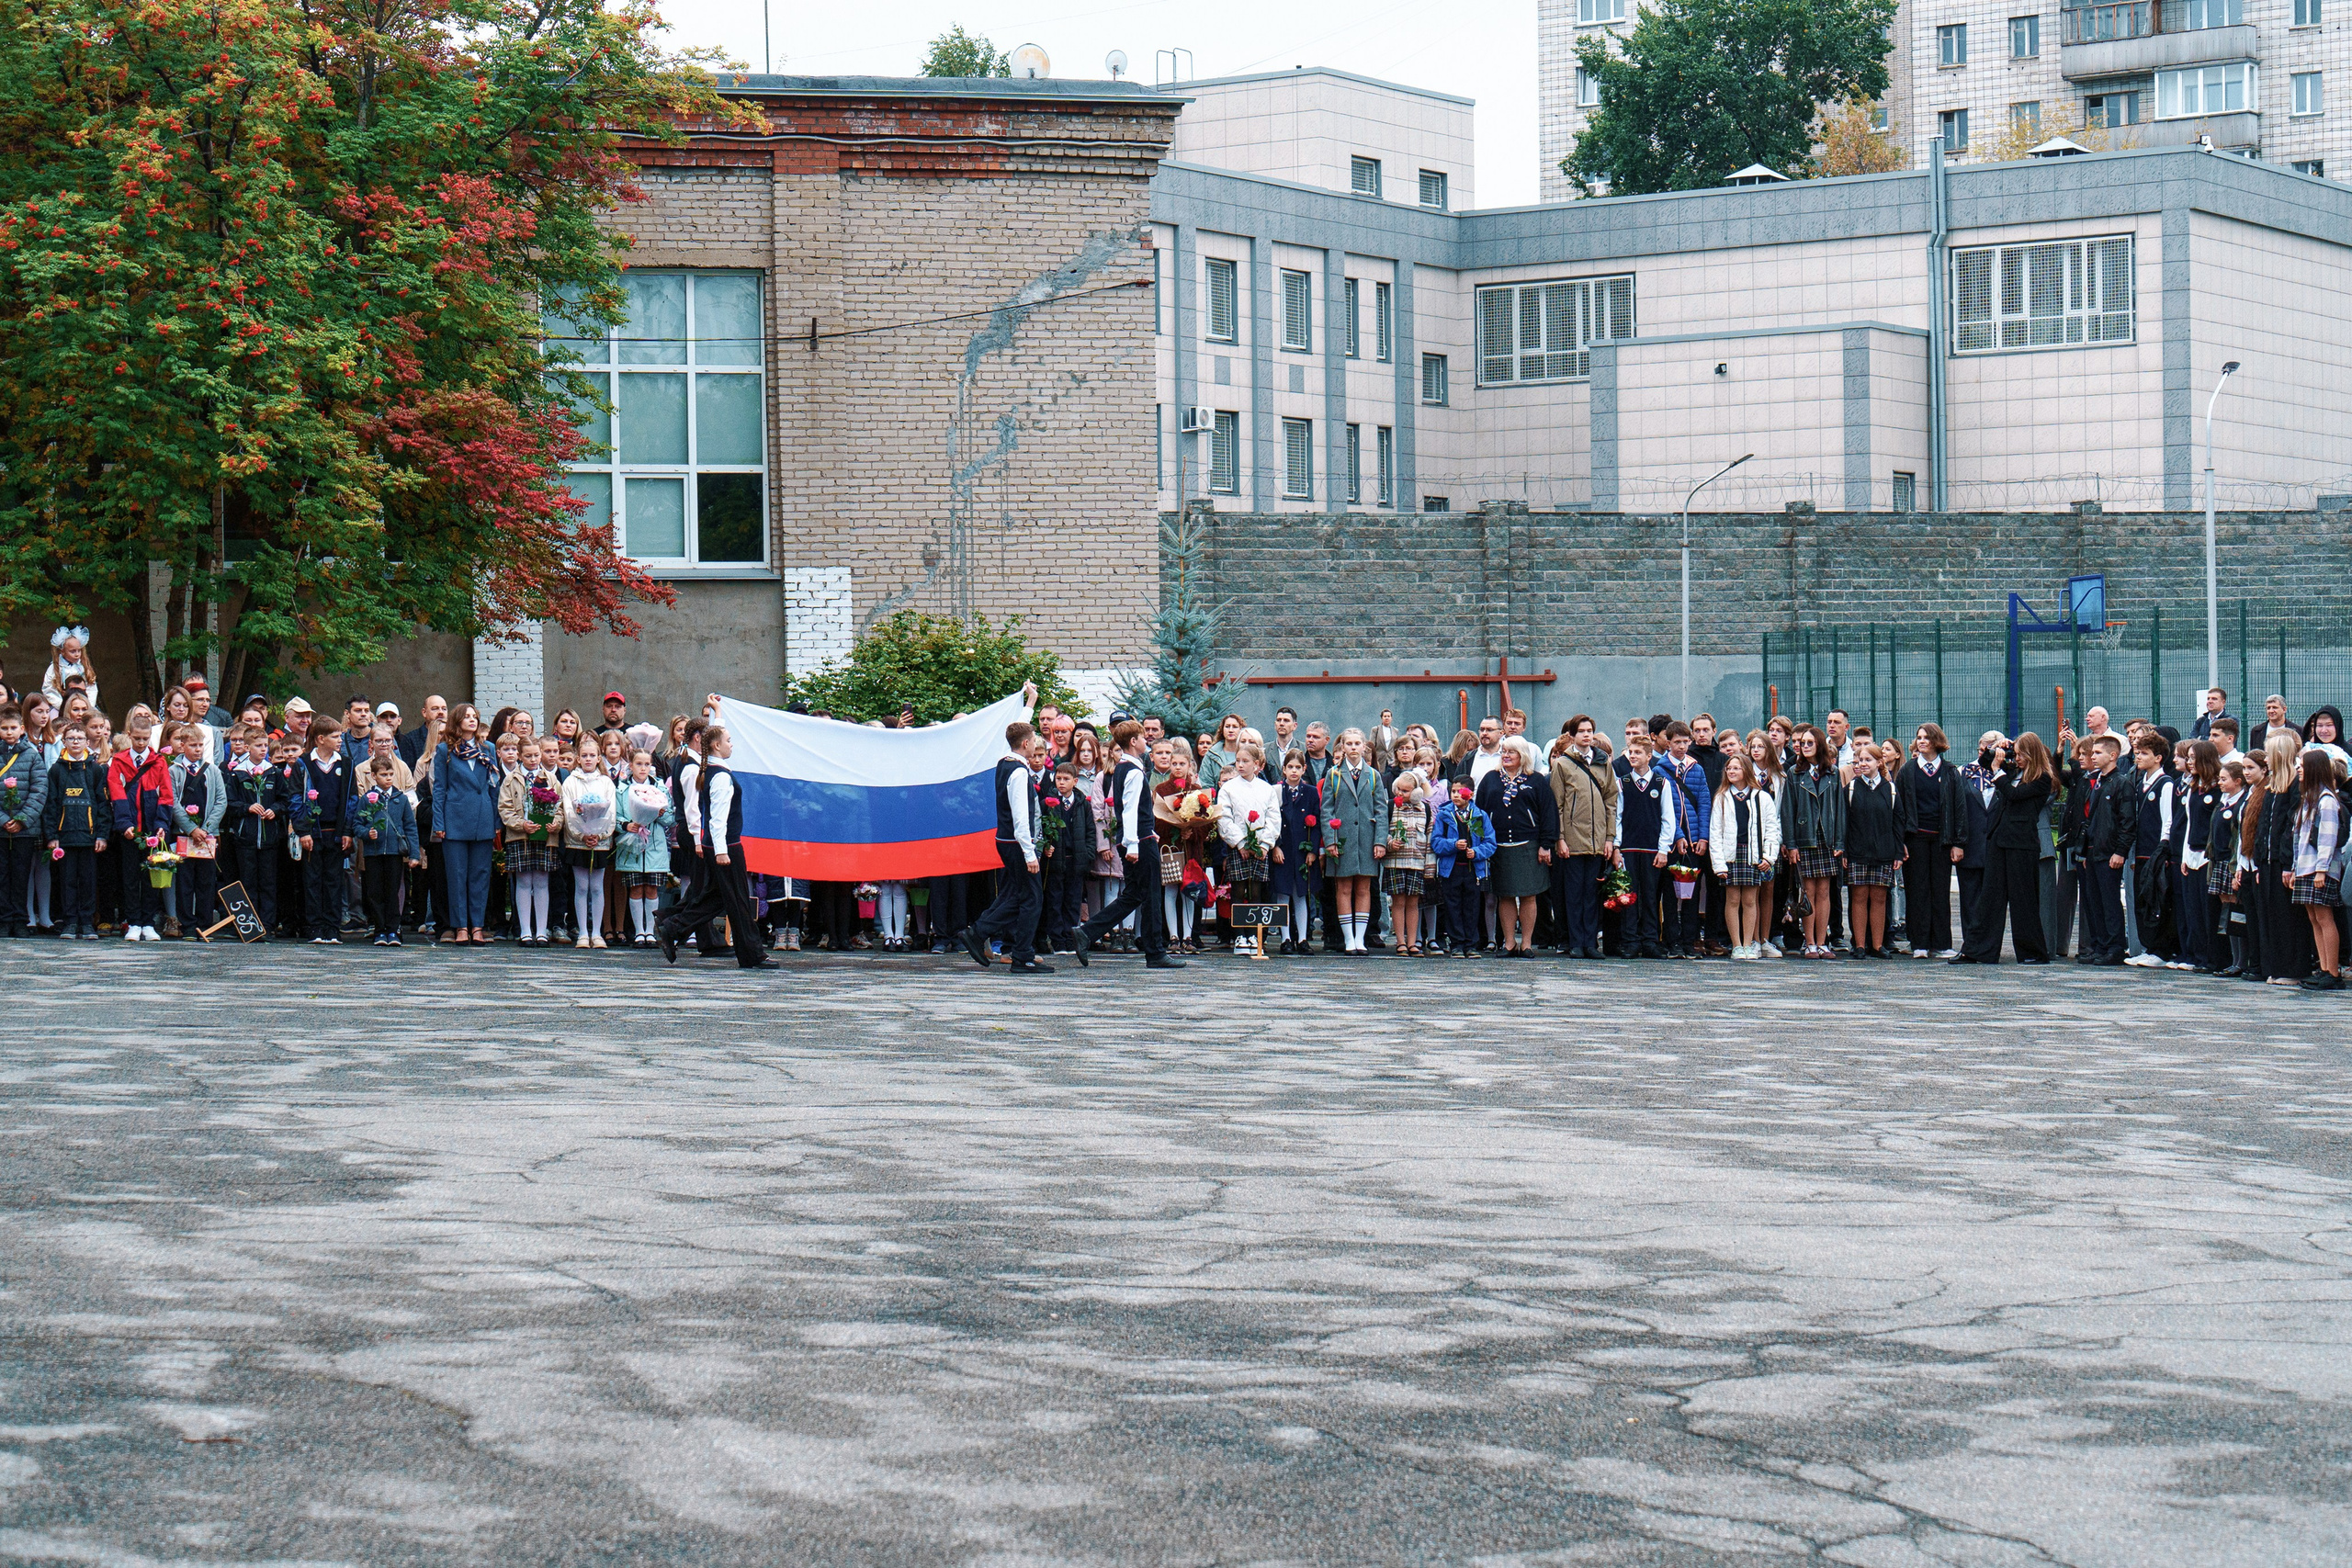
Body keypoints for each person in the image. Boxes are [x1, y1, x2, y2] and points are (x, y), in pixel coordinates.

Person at [656, 725, 773, 969]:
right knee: (738, 899)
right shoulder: (719, 775)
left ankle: (673, 927)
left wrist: (717, 710)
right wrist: (721, 851)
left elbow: (713, 734)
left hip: (717, 844)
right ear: (717, 746)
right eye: (729, 740)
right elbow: (717, 818)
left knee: (718, 897)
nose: (732, 744)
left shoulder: (711, 769)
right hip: (725, 846)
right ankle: (752, 954)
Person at [1076, 721, 1181, 968]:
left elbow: (1129, 809)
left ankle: (1086, 931)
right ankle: (1155, 953)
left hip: (1138, 838)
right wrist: (1134, 844)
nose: (1147, 740)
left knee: (1133, 894)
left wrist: (1147, 832)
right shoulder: (1133, 771)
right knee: (1151, 895)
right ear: (1133, 741)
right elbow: (1130, 809)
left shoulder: (1123, 768)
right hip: (1138, 843)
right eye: (1143, 737)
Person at [1952, 734, 2053, 964]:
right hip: (2000, 841)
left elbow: (2013, 795)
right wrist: (1998, 748)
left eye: (2020, 754)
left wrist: (1999, 771)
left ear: (2031, 754)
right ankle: (1978, 951)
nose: (2016, 758)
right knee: (1990, 897)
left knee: (2024, 900)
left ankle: (2032, 953)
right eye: (2015, 754)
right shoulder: (2014, 772)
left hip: (2022, 845)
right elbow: (1986, 762)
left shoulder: (2042, 778)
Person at [963, 718, 1052, 974]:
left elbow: (1019, 730)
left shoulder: (1005, 761)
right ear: (1026, 744)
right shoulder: (1019, 772)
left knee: (1015, 895)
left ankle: (978, 933)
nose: (1036, 742)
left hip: (1007, 841)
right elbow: (1020, 817)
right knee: (1032, 898)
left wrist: (1030, 701)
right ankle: (1021, 955)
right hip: (1017, 843)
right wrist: (1029, 854)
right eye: (1034, 740)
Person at [1550, 715, 1617, 960]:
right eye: (1581, 731)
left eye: (1590, 731)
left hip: (1598, 839)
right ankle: (1575, 942)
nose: (1586, 735)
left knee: (1592, 893)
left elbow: (1611, 800)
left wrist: (1610, 837)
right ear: (1573, 735)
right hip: (1572, 840)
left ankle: (1591, 942)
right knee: (1573, 893)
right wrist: (1560, 838)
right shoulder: (1563, 764)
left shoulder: (1603, 762)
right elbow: (1557, 804)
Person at [1894, 723, 1964, 959]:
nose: (1921, 741)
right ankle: (1919, 943)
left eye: (1926, 737)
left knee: (1940, 892)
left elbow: (1959, 809)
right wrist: (1900, 841)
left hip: (1942, 841)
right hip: (1915, 840)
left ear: (1936, 742)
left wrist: (1958, 842)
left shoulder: (1950, 772)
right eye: (1919, 737)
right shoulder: (1907, 771)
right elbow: (1899, 810)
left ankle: (1942, 943)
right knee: (1917, 891)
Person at [433, 704, 500, 946]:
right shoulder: (445, 751)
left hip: (482, 817)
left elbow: (495, 787)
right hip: (455, 818)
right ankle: (461, 926)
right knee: (456, 875)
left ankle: (478, 927)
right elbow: (439, 788)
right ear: (457, 721)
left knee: (480, 875)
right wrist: (438, 821)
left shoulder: (488, 749)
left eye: (475, 717)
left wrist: (496, 821)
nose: (472, 720)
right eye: (467, 717)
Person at [108, 712, 176, 942]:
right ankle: (133, 923)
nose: (141, 743)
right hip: (130, 830)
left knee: (152, 876)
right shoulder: (119, 761)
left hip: (151, 829)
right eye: (137, 738)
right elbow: (116, 794)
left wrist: (161, 825)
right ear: (129, 735)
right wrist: (124, 824)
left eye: (145, 739)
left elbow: (166, 796)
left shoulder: (158, 762)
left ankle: (148, 922)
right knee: (129, 878)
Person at [1781, 726, 1844, 960]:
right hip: (1804, 837)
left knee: (1825, 891)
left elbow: (1839, 811)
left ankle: (1822, 942)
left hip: (1826, 838)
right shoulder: (1794, 774)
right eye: (1802, 743)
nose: (1804, 747)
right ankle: (1809, 944)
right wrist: (1791, 843)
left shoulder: (1834, 773)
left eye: (1809, 743)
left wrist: (1840, 842)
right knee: (1807, 891)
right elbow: (1787, 810)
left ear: (1819, 744)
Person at [1709, 751, 1779, 960]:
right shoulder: (1722, 797)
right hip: (1731, 854)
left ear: (1746, 771)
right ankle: (1737, 945)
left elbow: (1771, 829)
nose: (1731, 771)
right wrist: (1719, 864)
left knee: (1750, 900)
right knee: (1732, 900)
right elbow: (1715, 832)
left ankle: (1749, 944)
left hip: (1753, 854)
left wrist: (1769, 857)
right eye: (1729, 768)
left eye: (1736, 768)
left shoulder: (1762, 797)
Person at [1322, 728, 1385, 955]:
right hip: (1343, 840)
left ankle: (1360, 938)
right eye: (1349, 744)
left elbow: (1381, 811)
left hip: (1367, 840)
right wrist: (1331, 841)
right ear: (1342, 748)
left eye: (1357, 743)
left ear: (1364, 747)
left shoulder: (1374, 776)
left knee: (1364, 887)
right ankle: (1348, 938)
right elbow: (1326, 810)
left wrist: (1380, 841)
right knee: (1344, 887)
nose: (1353, 748)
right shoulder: (1333, 775)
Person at [1216, 742, 1281, 954]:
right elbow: (1224, 818)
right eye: (1238, 761)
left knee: (1256, 891)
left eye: (1246, 762)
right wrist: (1241, 843)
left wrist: (1264, 844)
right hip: (1239, 847)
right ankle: (1239, 937)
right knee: (1238, 889)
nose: (1241, 765)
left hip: (1260, 847)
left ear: (1257, 765)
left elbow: (1273, 817)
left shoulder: (1266, 789)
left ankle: (1254, 935)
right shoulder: (1229, 788)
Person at [349, 757, 423, 945]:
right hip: (373, 853)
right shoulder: (367, 799)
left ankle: (393, 929)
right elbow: (357, 824)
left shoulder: (401, 799)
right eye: (383, 775)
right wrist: (367, 833)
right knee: (374, 891)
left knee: (393, 891)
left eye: (391, 775)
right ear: (373, 776)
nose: (388, 778)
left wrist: (414, 854)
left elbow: (410, 827)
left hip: (394, 852)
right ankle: (379, 930)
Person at [1614, 735, 1677, 959]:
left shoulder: (1661, 784)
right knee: (1629, 896)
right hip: (1629, 850)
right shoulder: (1622, 783)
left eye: (1638, 752)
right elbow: (1617, 818)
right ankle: (1630, 941)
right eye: (1630, 752)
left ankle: (1650, 940)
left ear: (1649, 756)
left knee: (1651, 896)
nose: (1633, 756)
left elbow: (1668, 819)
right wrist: (1616, 847)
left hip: (1652, 850)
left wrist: (1663, 849)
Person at [1840, 742, 1904, 959]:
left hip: (1883, 854)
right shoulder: (1850, 789)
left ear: (1879, 762)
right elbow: (1844, 823)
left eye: (1868, 760)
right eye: (1860, 760)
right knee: (1858, 898)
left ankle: (1877, 945)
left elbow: (1898, 822)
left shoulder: (1891, 789)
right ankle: (1859, 945)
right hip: (1857, 853)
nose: (1863, 764)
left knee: (1879, 899)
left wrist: (1897, 853)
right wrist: (1845, 852)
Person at [43, 722, 107, 939]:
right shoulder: (57, 770)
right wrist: (52, 836)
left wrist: (102, 834)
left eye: (80, 739)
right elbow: (50, 805)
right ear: (64, 741)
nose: (76, 742)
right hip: (65, 837)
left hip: (89, 838)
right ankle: (70, 921)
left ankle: (87, 923)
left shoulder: (95, 769)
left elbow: (103, 805)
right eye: (71, 738)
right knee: (67, 881)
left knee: (88, 881)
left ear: (87, 742)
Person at [499, 735, 562, 947]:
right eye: (528, 756)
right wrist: (520, 824)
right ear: (519, 755)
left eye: (537, 755)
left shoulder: (551, 778)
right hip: (520, 836)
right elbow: (505, 809)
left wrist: (556, 824)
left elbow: (561, 807)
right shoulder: (511, 779)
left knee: (542, 882)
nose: (534, 759)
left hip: (545, 835)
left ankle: (542, 930)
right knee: (524, 882)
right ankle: (525, 930)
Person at [2290, 749, 2345, 989]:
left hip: (2318, 869)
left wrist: (2322, 869)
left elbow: (2328, 838)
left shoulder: (2326, 800)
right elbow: (2298, 838)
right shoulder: (2308, 800)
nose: (2299, 770)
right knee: (2313, 917)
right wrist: (2295, 868)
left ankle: (2332, 972)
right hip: (2305, 867)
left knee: (2324, 917)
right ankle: (2323, 968)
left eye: (2302, 765)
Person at [165, 721, 225, 935]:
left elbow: (221, 801)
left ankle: (204, 924)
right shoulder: (174, 770)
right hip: (184, 835)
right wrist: (191, 829)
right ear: (183, 745)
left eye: (200, 745)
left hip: (207, 836)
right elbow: (173, 803)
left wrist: (207, 828)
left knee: (206, 881)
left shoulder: (213, 771)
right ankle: (187, 924)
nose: (197, 749)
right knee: (185, 881)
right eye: (193, 745)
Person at [560, 742, 618, 950]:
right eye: (584, 755)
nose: (587, 759)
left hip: (600, 842)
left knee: (597, 886)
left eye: (592, 755)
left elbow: (611, 812)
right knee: (582, 886)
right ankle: (583, 933)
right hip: (577, 842)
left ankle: (597, 932)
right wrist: (581, 834)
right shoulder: (570, 782)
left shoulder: (606, 783)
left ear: (598, 758)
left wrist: (600, 833)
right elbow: (568, 811)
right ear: (578, 758)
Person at [615, 750, 674, 949]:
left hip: (654, 846)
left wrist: (658, 814)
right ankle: (639, 931)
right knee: (635, 888)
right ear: (630, 765)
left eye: (646, 764)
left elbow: (670, 818)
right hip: (632, 845)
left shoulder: (659, 788)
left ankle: (650, 931)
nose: (643, 768)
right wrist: (626, 825)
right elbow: (616, 815)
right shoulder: (622, 789)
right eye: (638, 764)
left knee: (651, 889)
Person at [0, 705, 47, 937]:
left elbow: (39, 790)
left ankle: (20, 919)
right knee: (2, 874)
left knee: (21, 874)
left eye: (12, 728)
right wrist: (3, 819)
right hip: (0, 828)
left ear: (21, 729)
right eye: (4, 728)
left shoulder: (31, 755)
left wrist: (21, 819)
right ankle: (4, 918)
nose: (9, 732)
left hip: (25, 829)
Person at [42, 626, 97, 712]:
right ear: (62, 651)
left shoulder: (83, 666)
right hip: (62, 706)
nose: (77, 654)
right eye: (73, 651)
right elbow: (49, 689)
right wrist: (62, 706)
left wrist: (89, 705)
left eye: (79, 651)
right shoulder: (56, 668)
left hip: (84, 706)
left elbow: (91, 686)